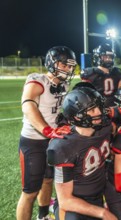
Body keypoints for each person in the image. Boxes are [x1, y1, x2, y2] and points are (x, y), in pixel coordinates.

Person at [17, 46, 77, 220]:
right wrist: (47, 130)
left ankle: (42, 215)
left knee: (48, 180)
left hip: (53, 140)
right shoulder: (37, 80)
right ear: (52, 62)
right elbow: (28, 105)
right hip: (33, 141)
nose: (68, 69)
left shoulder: (64, 84)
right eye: (64, 65)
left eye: (70, 66)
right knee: (29, 192)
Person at [47, 86, 117, 220]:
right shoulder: (63, 145)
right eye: (91, 110)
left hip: (99, 195)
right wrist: (103, 213)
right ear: (77, 116)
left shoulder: (105, 127)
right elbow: (66, 201)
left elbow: (118, 123)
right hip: (73, 204)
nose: (98, 112)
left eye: (99, 107)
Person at [81, 43, 121, 108]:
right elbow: (84, 95)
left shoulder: (116, 72)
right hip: (98, 108)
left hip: (115, 108)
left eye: (110, 57)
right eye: (105, 57)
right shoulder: (90, 73)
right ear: (98, 57)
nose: (108, 59)